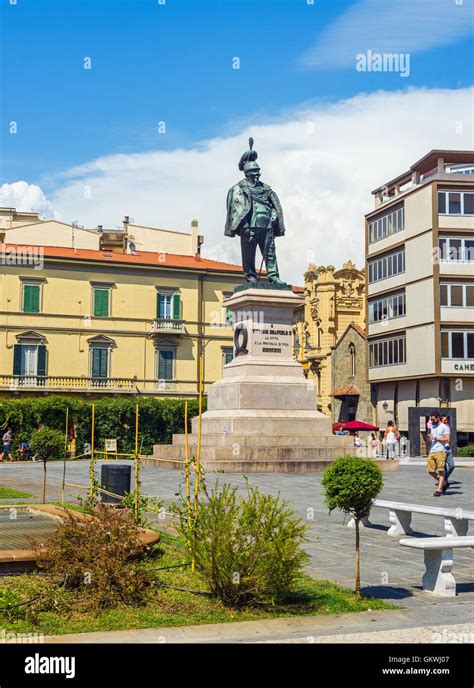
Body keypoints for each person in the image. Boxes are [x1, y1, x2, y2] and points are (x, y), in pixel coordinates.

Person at [427, 411, 450, 497]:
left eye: (433, 419)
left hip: (441, 450)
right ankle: (444, 482)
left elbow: (447, 439)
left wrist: (436, 438)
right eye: (431, 419)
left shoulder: (445, 427)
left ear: (437, 418)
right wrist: (430, 438)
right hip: (432, 450)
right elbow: (432, 439)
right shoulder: (433, 427)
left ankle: (439, 489)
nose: (432, 421)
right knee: (430, 470)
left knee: (441, 470)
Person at [441, 415, 455, 493]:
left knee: (452, 465)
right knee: (443, 468)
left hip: (448, 449)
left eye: (447, 420)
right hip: (441, 450)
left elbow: (448, 440)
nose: (446, 422)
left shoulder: (447, 427)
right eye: (444, 420)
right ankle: (443, 484)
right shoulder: (439, 428)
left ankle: (443, 479)